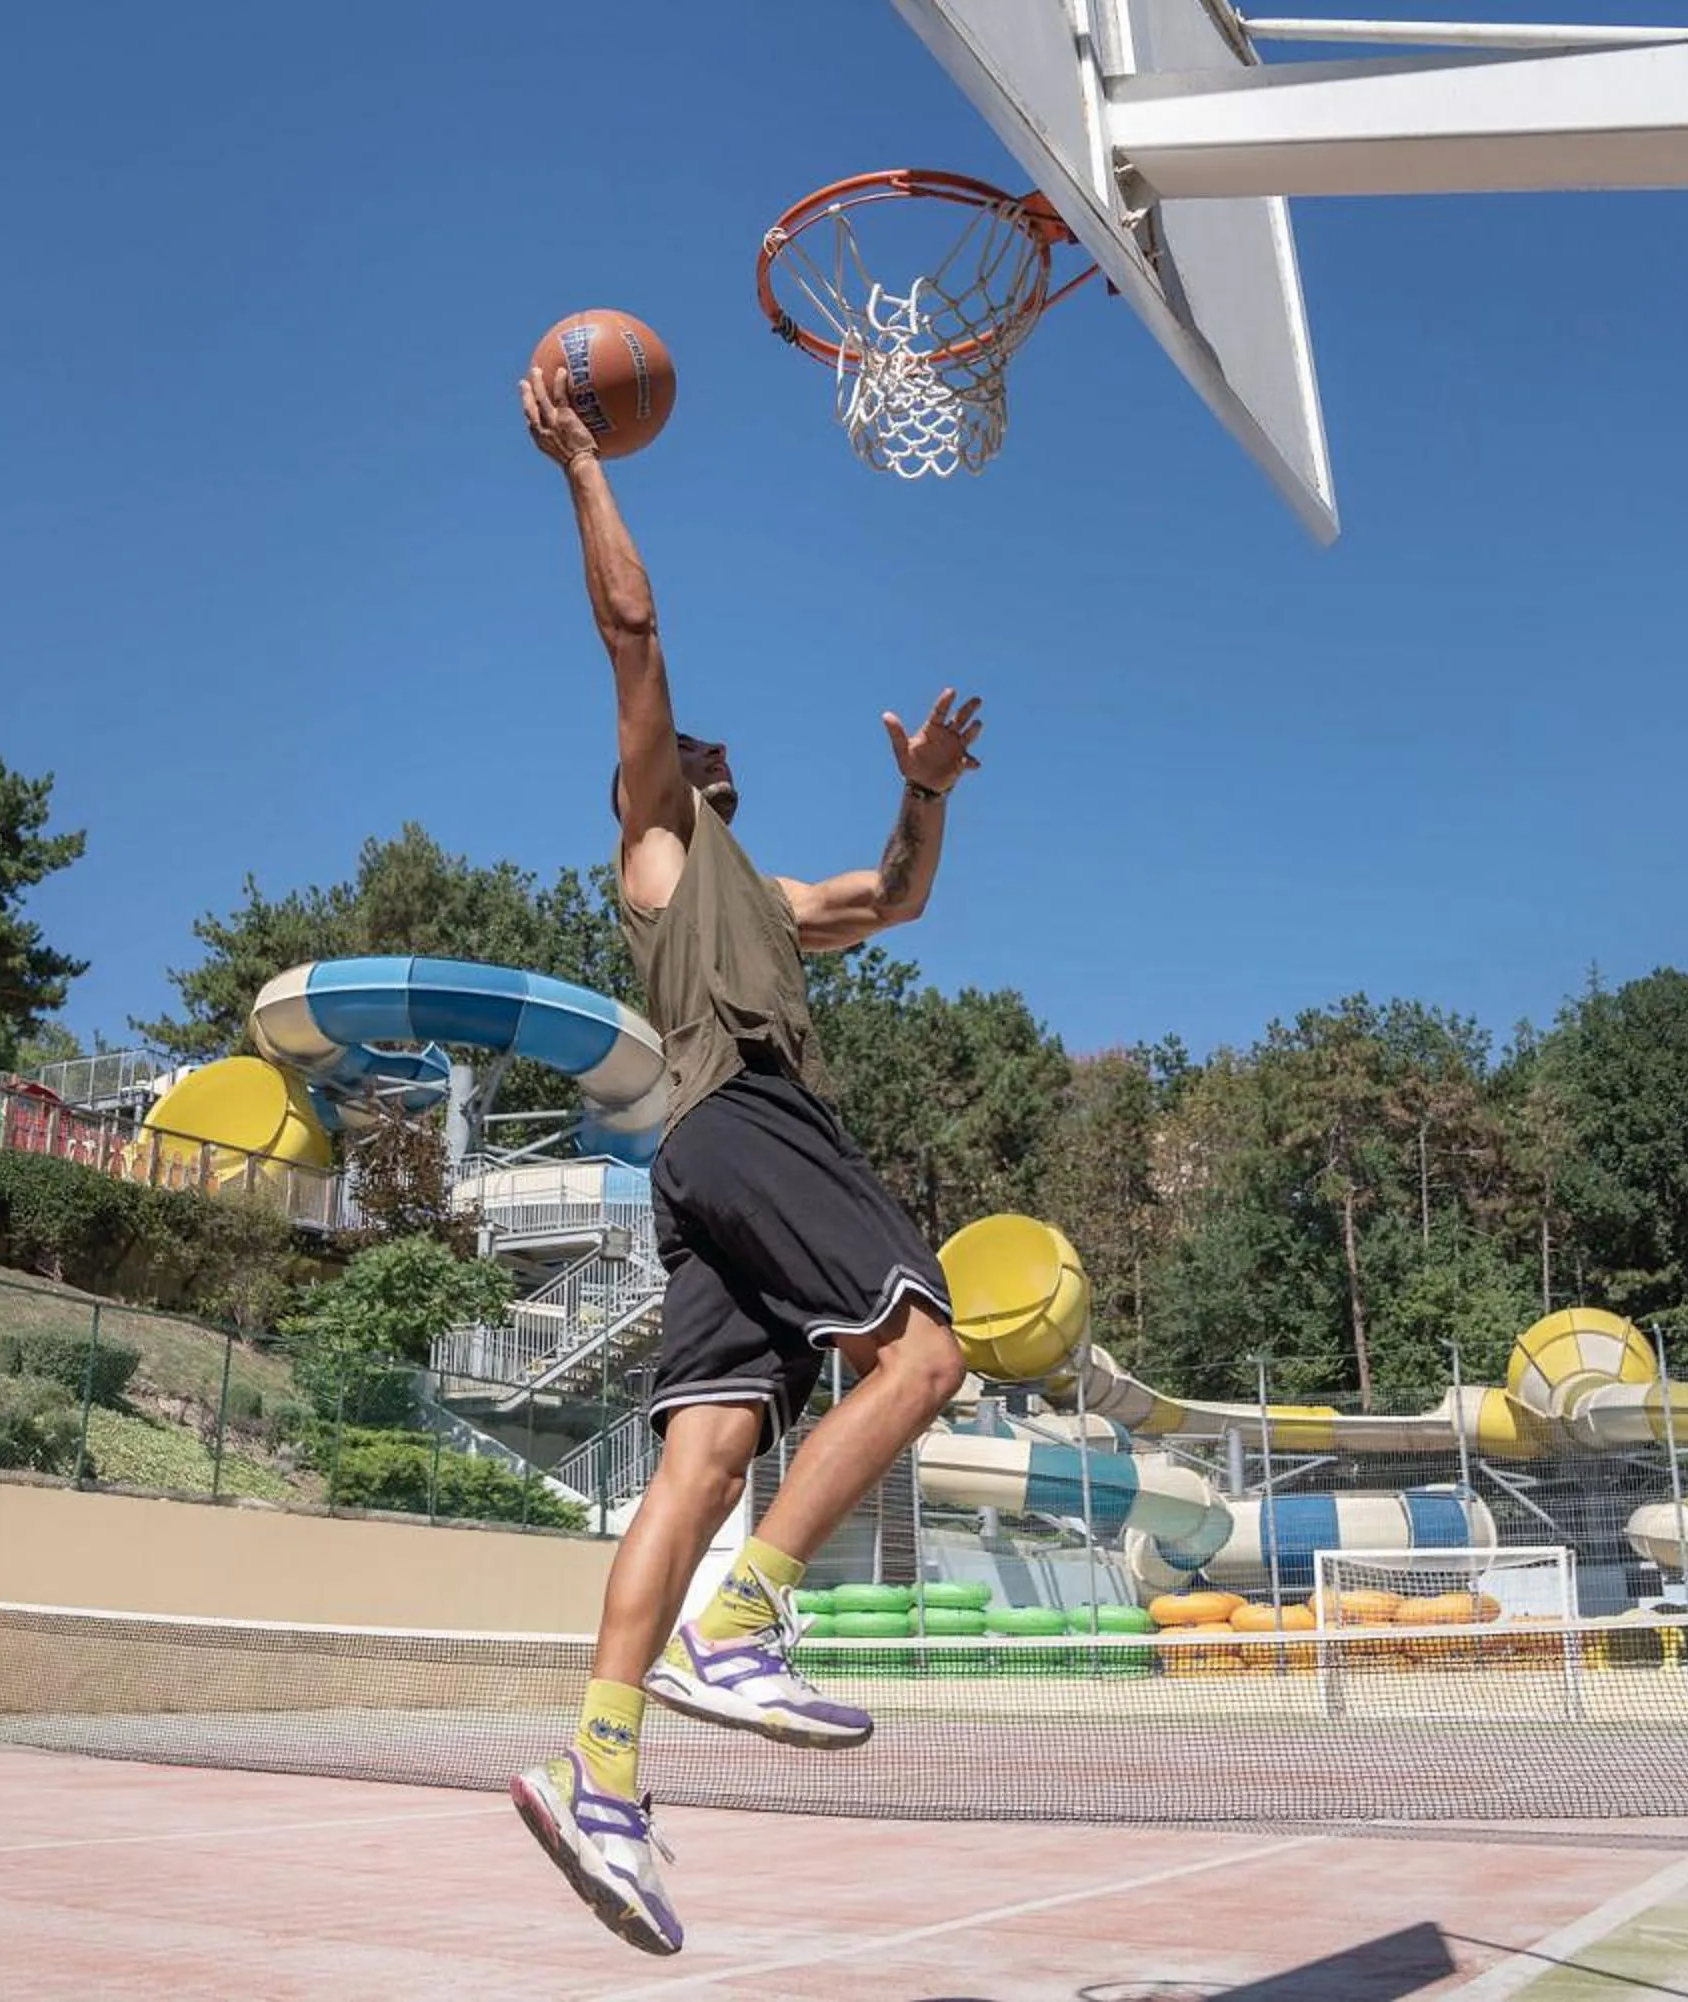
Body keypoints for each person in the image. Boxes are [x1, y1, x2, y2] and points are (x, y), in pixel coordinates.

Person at [507, 362, 981, 1955]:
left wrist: (920, 796)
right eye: (678, 744)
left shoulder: (769, 902)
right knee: (924, 1353)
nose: (697, 741)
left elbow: (900, 899)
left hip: (698, 1165)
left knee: (705, 1461)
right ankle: (751, 1617)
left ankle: (604, 1774)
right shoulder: (656, 844)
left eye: (707, 747)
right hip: (748, 1118)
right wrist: (582, 461)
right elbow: (632, 638)